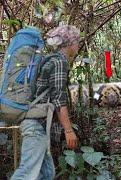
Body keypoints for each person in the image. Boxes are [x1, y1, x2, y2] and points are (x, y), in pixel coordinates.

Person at [11, 25, 80, 180]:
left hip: (36, 123)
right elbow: (58, 98)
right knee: (26, 173)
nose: (77, 45)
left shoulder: (49, 59)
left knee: (46, 174)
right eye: (77, 41)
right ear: (69, 43)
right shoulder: (59, 62)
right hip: (35, 125)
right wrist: (69, 130)